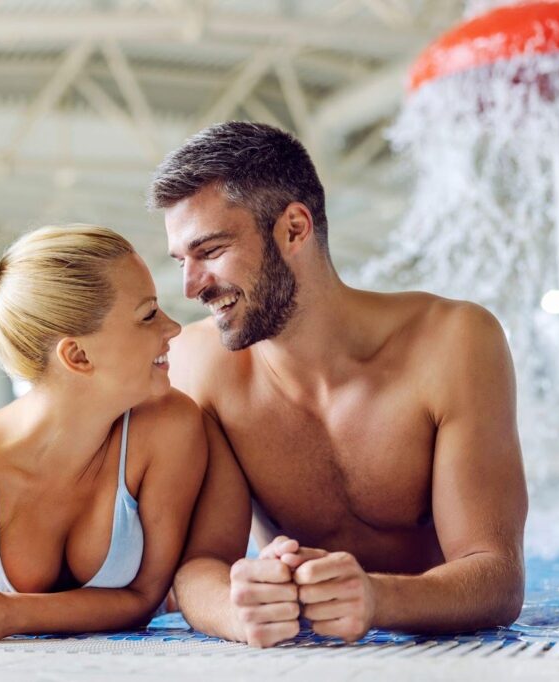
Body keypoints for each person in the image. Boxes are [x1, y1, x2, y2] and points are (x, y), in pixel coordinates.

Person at [149, 121, 528, 647]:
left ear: (295, 229)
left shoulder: (453, 344)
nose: (190, 286)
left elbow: (498, 577)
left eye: (209, 251)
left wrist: (377, 599)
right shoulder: (202, 365)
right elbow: (199, 565)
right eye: (181, 261)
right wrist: (240, 610)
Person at [0, 225, 207, 643]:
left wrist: (10, 614)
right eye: (148, 315)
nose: (174, 328)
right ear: (78, 355)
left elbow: (144, 597)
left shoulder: (168, 427)